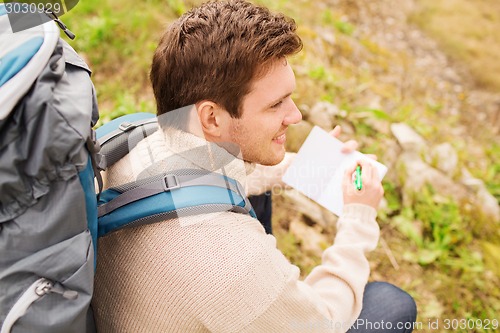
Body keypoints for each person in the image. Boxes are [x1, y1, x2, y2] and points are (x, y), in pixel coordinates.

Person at [92, 1, 417, 332]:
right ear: (212, 117)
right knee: (392, 304)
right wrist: (358, 219)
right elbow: (325, 322)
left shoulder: (134, 141)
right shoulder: (234, 265)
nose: (296, 116)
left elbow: (198, 179)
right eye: (276, 104)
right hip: (225, 285)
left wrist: (307, 168)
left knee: (253, 190)